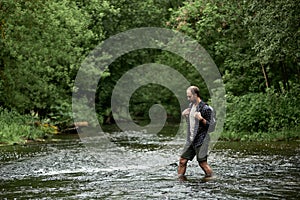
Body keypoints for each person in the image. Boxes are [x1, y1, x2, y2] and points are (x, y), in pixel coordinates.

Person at [178, 86, 213, 180]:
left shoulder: (206, 108)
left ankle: (211, 180)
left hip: (201, 140)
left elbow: (212, 127)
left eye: (189, 97)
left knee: (202, 163)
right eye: (187, 96)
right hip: (190, 140)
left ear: (195, 95)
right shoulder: (191, 106)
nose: (188, 99)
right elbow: (192, 124)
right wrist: (186, 116)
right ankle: (179, 182)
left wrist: (201, 119)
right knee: (182, 161)